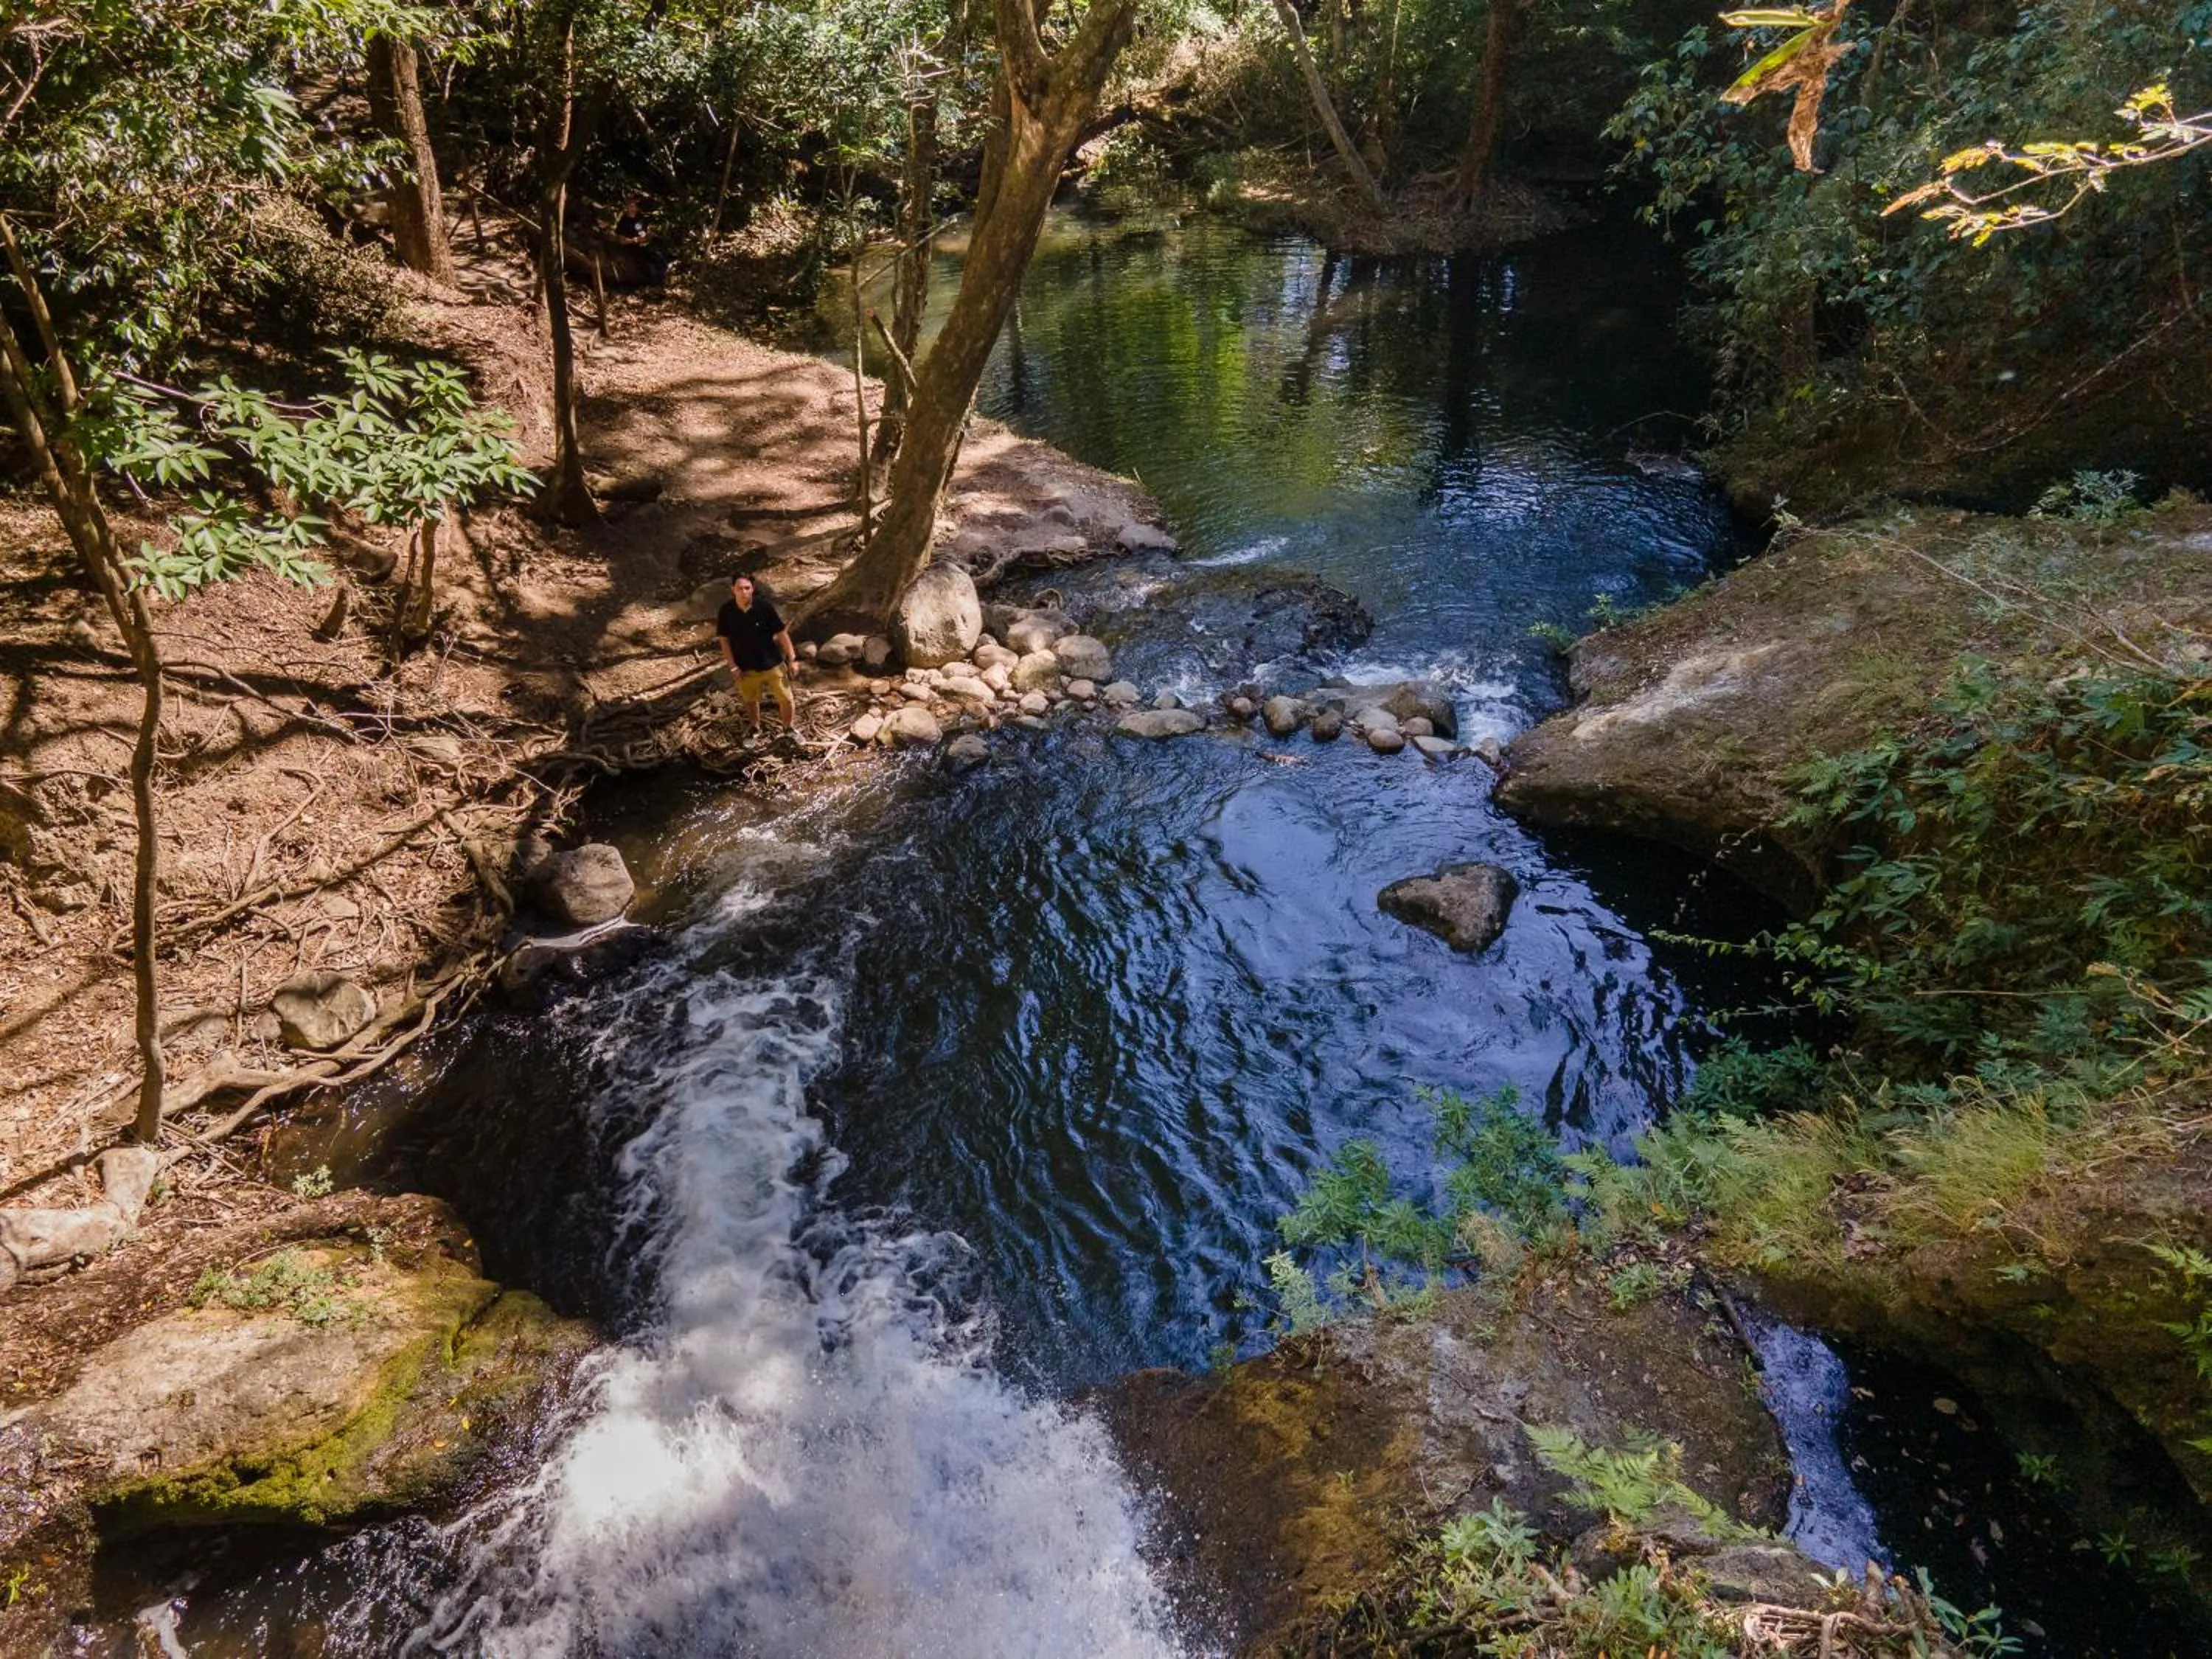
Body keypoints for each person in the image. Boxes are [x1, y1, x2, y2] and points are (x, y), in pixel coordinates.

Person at [715, 572, 799, 737]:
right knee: (750, 699)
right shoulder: (726, 611)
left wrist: (792, 659)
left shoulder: (764, 608)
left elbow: (782, 634)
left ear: (753, 589)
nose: (744, 592)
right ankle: (755, 727)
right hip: (745, 667)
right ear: (733, 590)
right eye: (740, 588)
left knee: (786, 699)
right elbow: (724, 641)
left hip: (773, 663)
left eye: (747, 588)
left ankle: (789, 729)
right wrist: (733, 667)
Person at [613, 194, 668, 288]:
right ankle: (651, 287)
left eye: (634, 206)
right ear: (627, 207)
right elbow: (622, 241)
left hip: (645, 246)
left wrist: (649, 236)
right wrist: (635, 240)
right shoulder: (624, 222)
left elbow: (645, 231)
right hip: (632, 248)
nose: (633, 208)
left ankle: (660, 286)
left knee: (660, 260)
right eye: (630, 206)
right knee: (647, 267)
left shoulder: (641, 218)